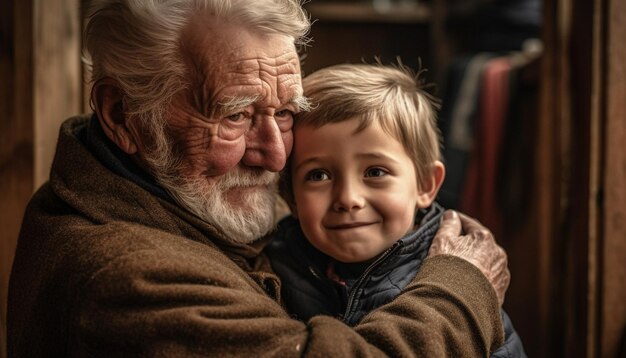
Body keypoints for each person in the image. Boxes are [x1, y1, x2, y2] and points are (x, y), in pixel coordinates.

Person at [8, 0, 509, 356]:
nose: (274, 156)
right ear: (122, 114)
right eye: (235, 116)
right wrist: (459, 288)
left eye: (286, 112)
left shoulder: (169, 198)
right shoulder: (124, 275)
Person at [265, 63, 526, 357]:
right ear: (290, 197)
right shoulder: (272, 271)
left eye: (375, 172)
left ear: (426, 184)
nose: (348, 198)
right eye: (319, 175)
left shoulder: (457, 283)